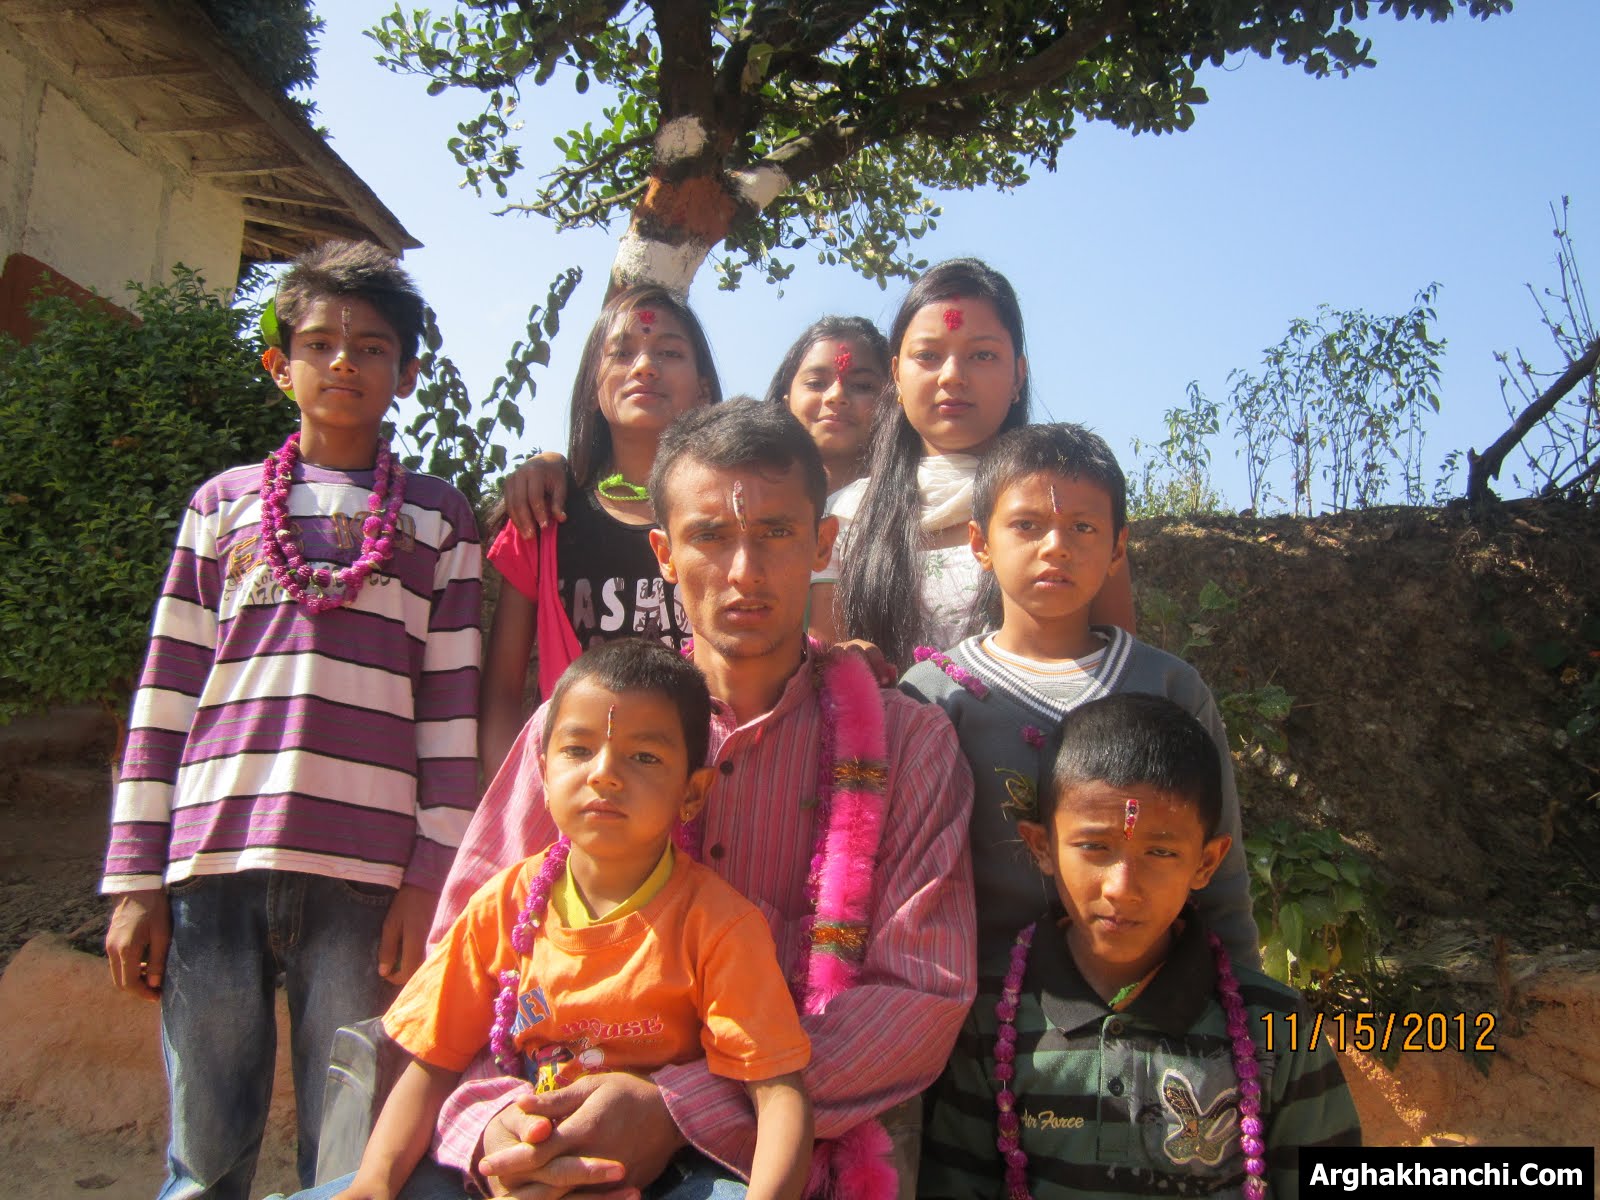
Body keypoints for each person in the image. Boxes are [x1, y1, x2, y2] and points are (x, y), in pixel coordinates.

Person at [419, 400, 976, 1200]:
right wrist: (502, 1122)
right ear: (665, 554)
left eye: (776, 532)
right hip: (547, 1124)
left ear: (824, 544)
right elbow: (465, 951)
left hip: (772, 1156)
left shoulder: (907, 745)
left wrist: (677, 1109)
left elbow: (919, 998)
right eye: (711, 535)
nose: (745, 572)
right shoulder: (580, 735)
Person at [101, 239, 482, 1199]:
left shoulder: (439, 521)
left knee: (349, 1156)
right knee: (204, 1156)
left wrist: (428, 878)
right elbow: (164, 694)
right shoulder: (220, 507)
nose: (344, 362)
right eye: (320, 344)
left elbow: (451, 711)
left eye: (372, 347)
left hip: (366, 880)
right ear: (280, 365)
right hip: (211, 865)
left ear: (408, 373)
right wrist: (136, 879)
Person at [324, 639, 812, 1200]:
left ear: (693, 793)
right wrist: (375, 1181)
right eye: (578, 750)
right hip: (519, 1154)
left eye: (644, 757)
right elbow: (432, 1064)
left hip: (656, 1173)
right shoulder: (501, 907)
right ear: (543, 770)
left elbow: (778, 1094)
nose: (604, 774)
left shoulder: (719, 925)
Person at [919, 693, 1361, 1198]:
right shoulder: (989, 1018)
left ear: (1207, 862)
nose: (1121, 888)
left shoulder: (1275, 1025)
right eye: (1094, 846)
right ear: (1042, 847)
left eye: (1160, 851)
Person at [898, 423, 1257, 967]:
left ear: (1117, 548)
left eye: (1083, 527)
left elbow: (1221, 875)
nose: (1056, 547)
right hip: (981, 996)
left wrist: (1246, 994)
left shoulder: (1169, 687)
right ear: (980, 543)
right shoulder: (933, 695)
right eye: (1026, 525)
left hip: (1151, 993)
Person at [824, 258, 1136, 657]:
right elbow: (827, 670)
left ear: (1018, 376)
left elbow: (1121, 668)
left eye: (982, 355)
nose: (952, 375)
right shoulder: (846, 517)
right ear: (897, 375)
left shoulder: (1075, 505)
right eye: (928, 355)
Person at [478, 286, 720, 778]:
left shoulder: (729, 521)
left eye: (670, 352)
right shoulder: (542, 519)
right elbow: (501, 691)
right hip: (578, 801)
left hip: (705, 790)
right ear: (592, 386)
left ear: (703, 389)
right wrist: (527, 799)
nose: (645, 366)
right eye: (622, 353)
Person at [762, 316, 891, 496]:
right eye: (816, 383)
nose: (836, 395)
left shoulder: (925, 497)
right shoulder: (750, 499)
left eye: (862, 386)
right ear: (787, 402)